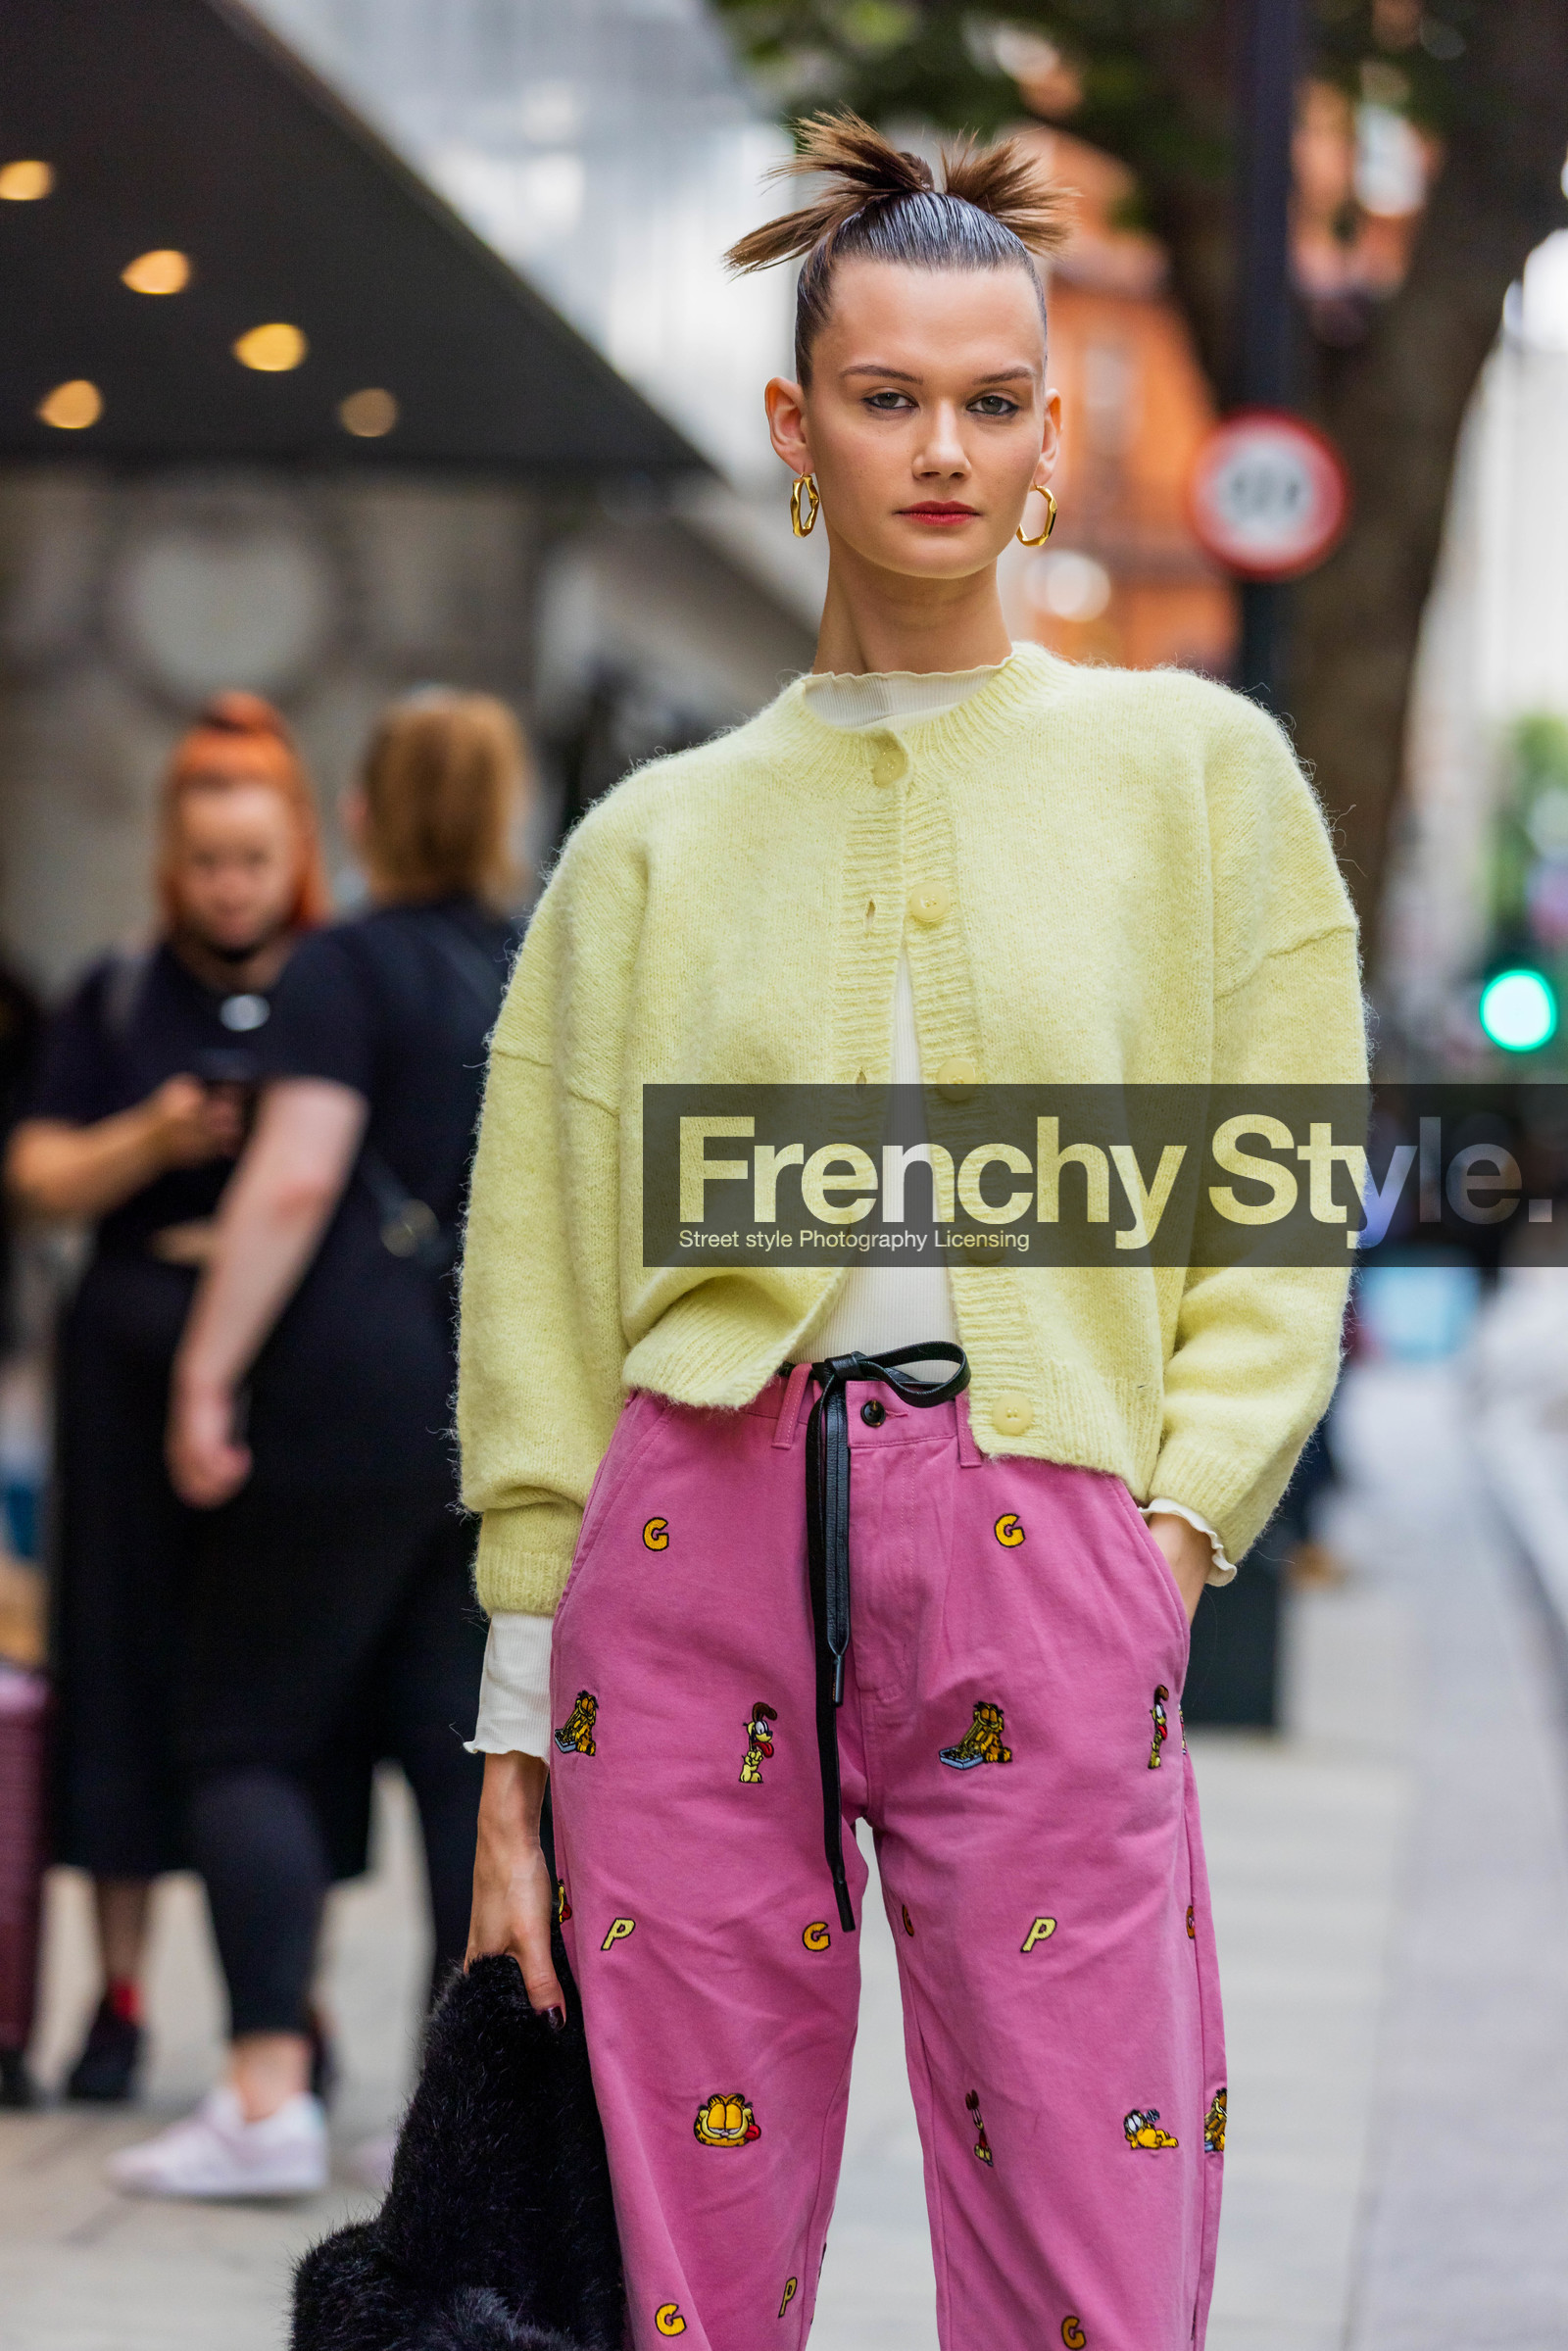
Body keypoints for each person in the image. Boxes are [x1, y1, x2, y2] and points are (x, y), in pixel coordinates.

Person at [458, 117, 1368, 2351]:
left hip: (1045, 1540)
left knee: (1093, 2258)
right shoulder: (652, 843)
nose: (938, 449)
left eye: (985, 401)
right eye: (884, 397)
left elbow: (1271, 1191)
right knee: (676, 2274)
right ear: (796, 425)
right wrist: (509, 1733)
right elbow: (547, 1283)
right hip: (678, 1566)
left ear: (1048, 430)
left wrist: (1169, 1530)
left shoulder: (1194, 782)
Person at [110, 692, 528, 2201]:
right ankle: (448, 2119)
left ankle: (265, 2094)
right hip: (489, 1402)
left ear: (360, 816)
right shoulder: (534, 962)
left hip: (342, 1392)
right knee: (452, 1757)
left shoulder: (343, 966)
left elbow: (289, 1186)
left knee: (253, 1731)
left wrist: (204, 1378)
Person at [6, 694, 329, 2104]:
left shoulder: (338, 986)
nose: (230, 889)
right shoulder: (118, 998)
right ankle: (119, 1997)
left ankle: (285, 2003)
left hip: (283, 1403)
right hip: (121, 1392)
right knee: (118, 1684)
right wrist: (155, 1137)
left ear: (298, 852)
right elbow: (36, 1178)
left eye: (253, 860)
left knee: (272, 1703)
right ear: (169, 859)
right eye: (207, 862)